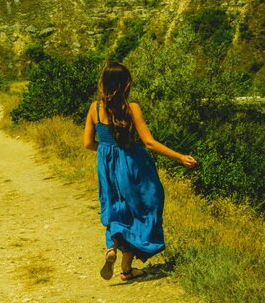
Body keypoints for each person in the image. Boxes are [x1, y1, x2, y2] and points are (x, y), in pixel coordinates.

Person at [83, 60, 197, 281]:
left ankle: (114, 253)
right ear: (125, 85)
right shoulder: (131, 108)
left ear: (104, 83)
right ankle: (126, 265)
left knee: (116, 208)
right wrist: (180, 157)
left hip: (105, 166)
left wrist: (107, 150)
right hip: (132, 164)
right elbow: (150, 143)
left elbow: (88, 143)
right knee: (143, 207)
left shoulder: (94, 108)